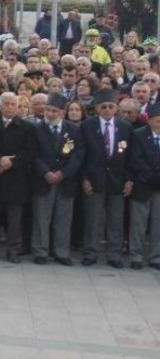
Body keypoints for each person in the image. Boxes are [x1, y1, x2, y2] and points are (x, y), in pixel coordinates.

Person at [0, 92, 37, 263]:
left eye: (14, 104)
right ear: (0, 106)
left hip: (16, 178)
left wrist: (12, 161)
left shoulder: (27, 128)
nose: (10, 107)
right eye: (7, 104)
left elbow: (29, 151)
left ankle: (13, 250)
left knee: (15, 218)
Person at [80, 89, 134, 267]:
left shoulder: (125, 127)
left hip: (117, 181)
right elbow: (82, 155)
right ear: (97, 108)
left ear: (116, 108)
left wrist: (128, 179)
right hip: (94, 179)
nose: (107, 110)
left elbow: (129, 156)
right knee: (93, 219)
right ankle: (91, 253)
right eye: (104, 107)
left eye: (111, 107)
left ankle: (114, 255)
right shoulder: (87, 126)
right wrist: (85, 178)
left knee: (116, 220)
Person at [31, 93, 82, 266]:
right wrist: (46, 172)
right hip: (43, 179)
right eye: (47, 110)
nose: (50, 114)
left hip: (65, 181)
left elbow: (78, 155)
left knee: (64, 218)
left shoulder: (73, 130)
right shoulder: (36, 129)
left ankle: (61, 252)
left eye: (54, 111)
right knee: (41, 218)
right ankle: (40, 251)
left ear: (62, 112)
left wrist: (63, 173)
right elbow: (33, 154)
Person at [128, 103, 160, 270]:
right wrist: (151, 177)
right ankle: (136, 255)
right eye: (157, 121)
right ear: (150, 121)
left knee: (158, 223)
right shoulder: (139, 135)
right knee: (138, 223)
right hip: (142, 184)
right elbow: (136, 159)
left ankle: (156, 257)